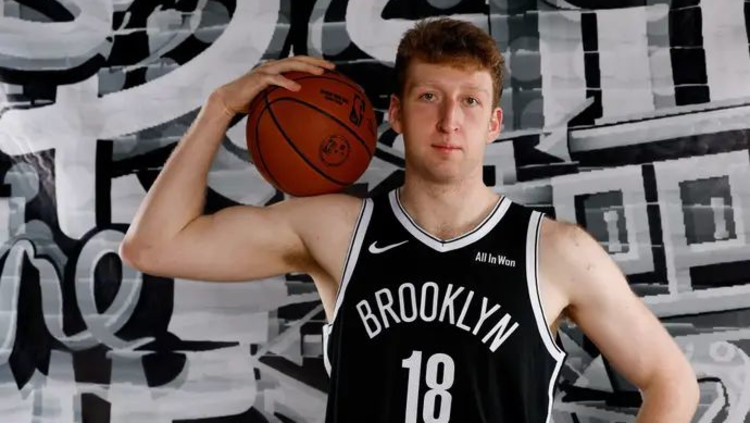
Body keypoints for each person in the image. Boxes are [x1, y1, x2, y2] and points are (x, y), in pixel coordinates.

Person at [120, 17, 698, 423]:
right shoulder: (338, 231)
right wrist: (219, 107)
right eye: (429, 97)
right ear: (395, 113)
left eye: (470, 101)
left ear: (494, 123)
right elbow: (153, 247)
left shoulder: (553, 251)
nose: (449, 121)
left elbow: (672, 384)